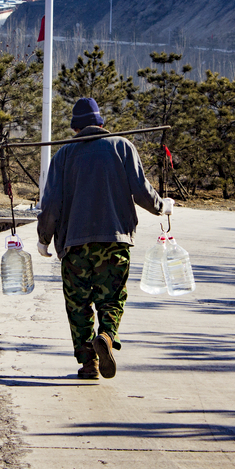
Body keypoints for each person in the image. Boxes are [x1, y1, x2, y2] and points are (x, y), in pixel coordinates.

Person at [36, 98, 174, 380]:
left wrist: (43, 239)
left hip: (74, 245)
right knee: (111, 299)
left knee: (79, 306)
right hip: (115, 241)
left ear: (75, 128)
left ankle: (89, 364)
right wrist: (163, 206)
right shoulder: (122, 147)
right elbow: (141, 191)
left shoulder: (63, 156)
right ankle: (107, 337)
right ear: (101, 123)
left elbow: (51, 204)